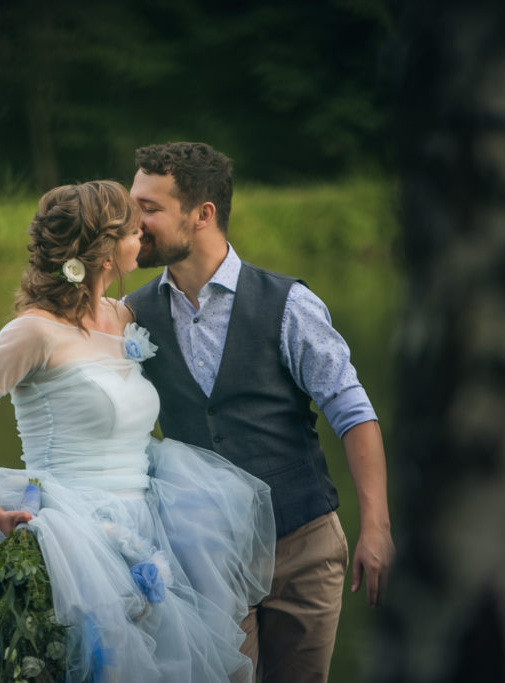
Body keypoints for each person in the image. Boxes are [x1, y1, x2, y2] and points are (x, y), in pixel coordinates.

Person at [0, 180, 275, 683]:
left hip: (149, 526)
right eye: (132, 230)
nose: (142, 237)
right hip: (72, 536)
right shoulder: (33, 331)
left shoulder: (121, 316)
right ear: (104, 253)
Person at [126, 142, 395, 683]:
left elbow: (352, 411)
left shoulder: (289, 304)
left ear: (202, 215)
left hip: (305, 548)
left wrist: (377, 527)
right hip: (205, 557)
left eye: (149, 208)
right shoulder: (132, 314)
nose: (134, 221)